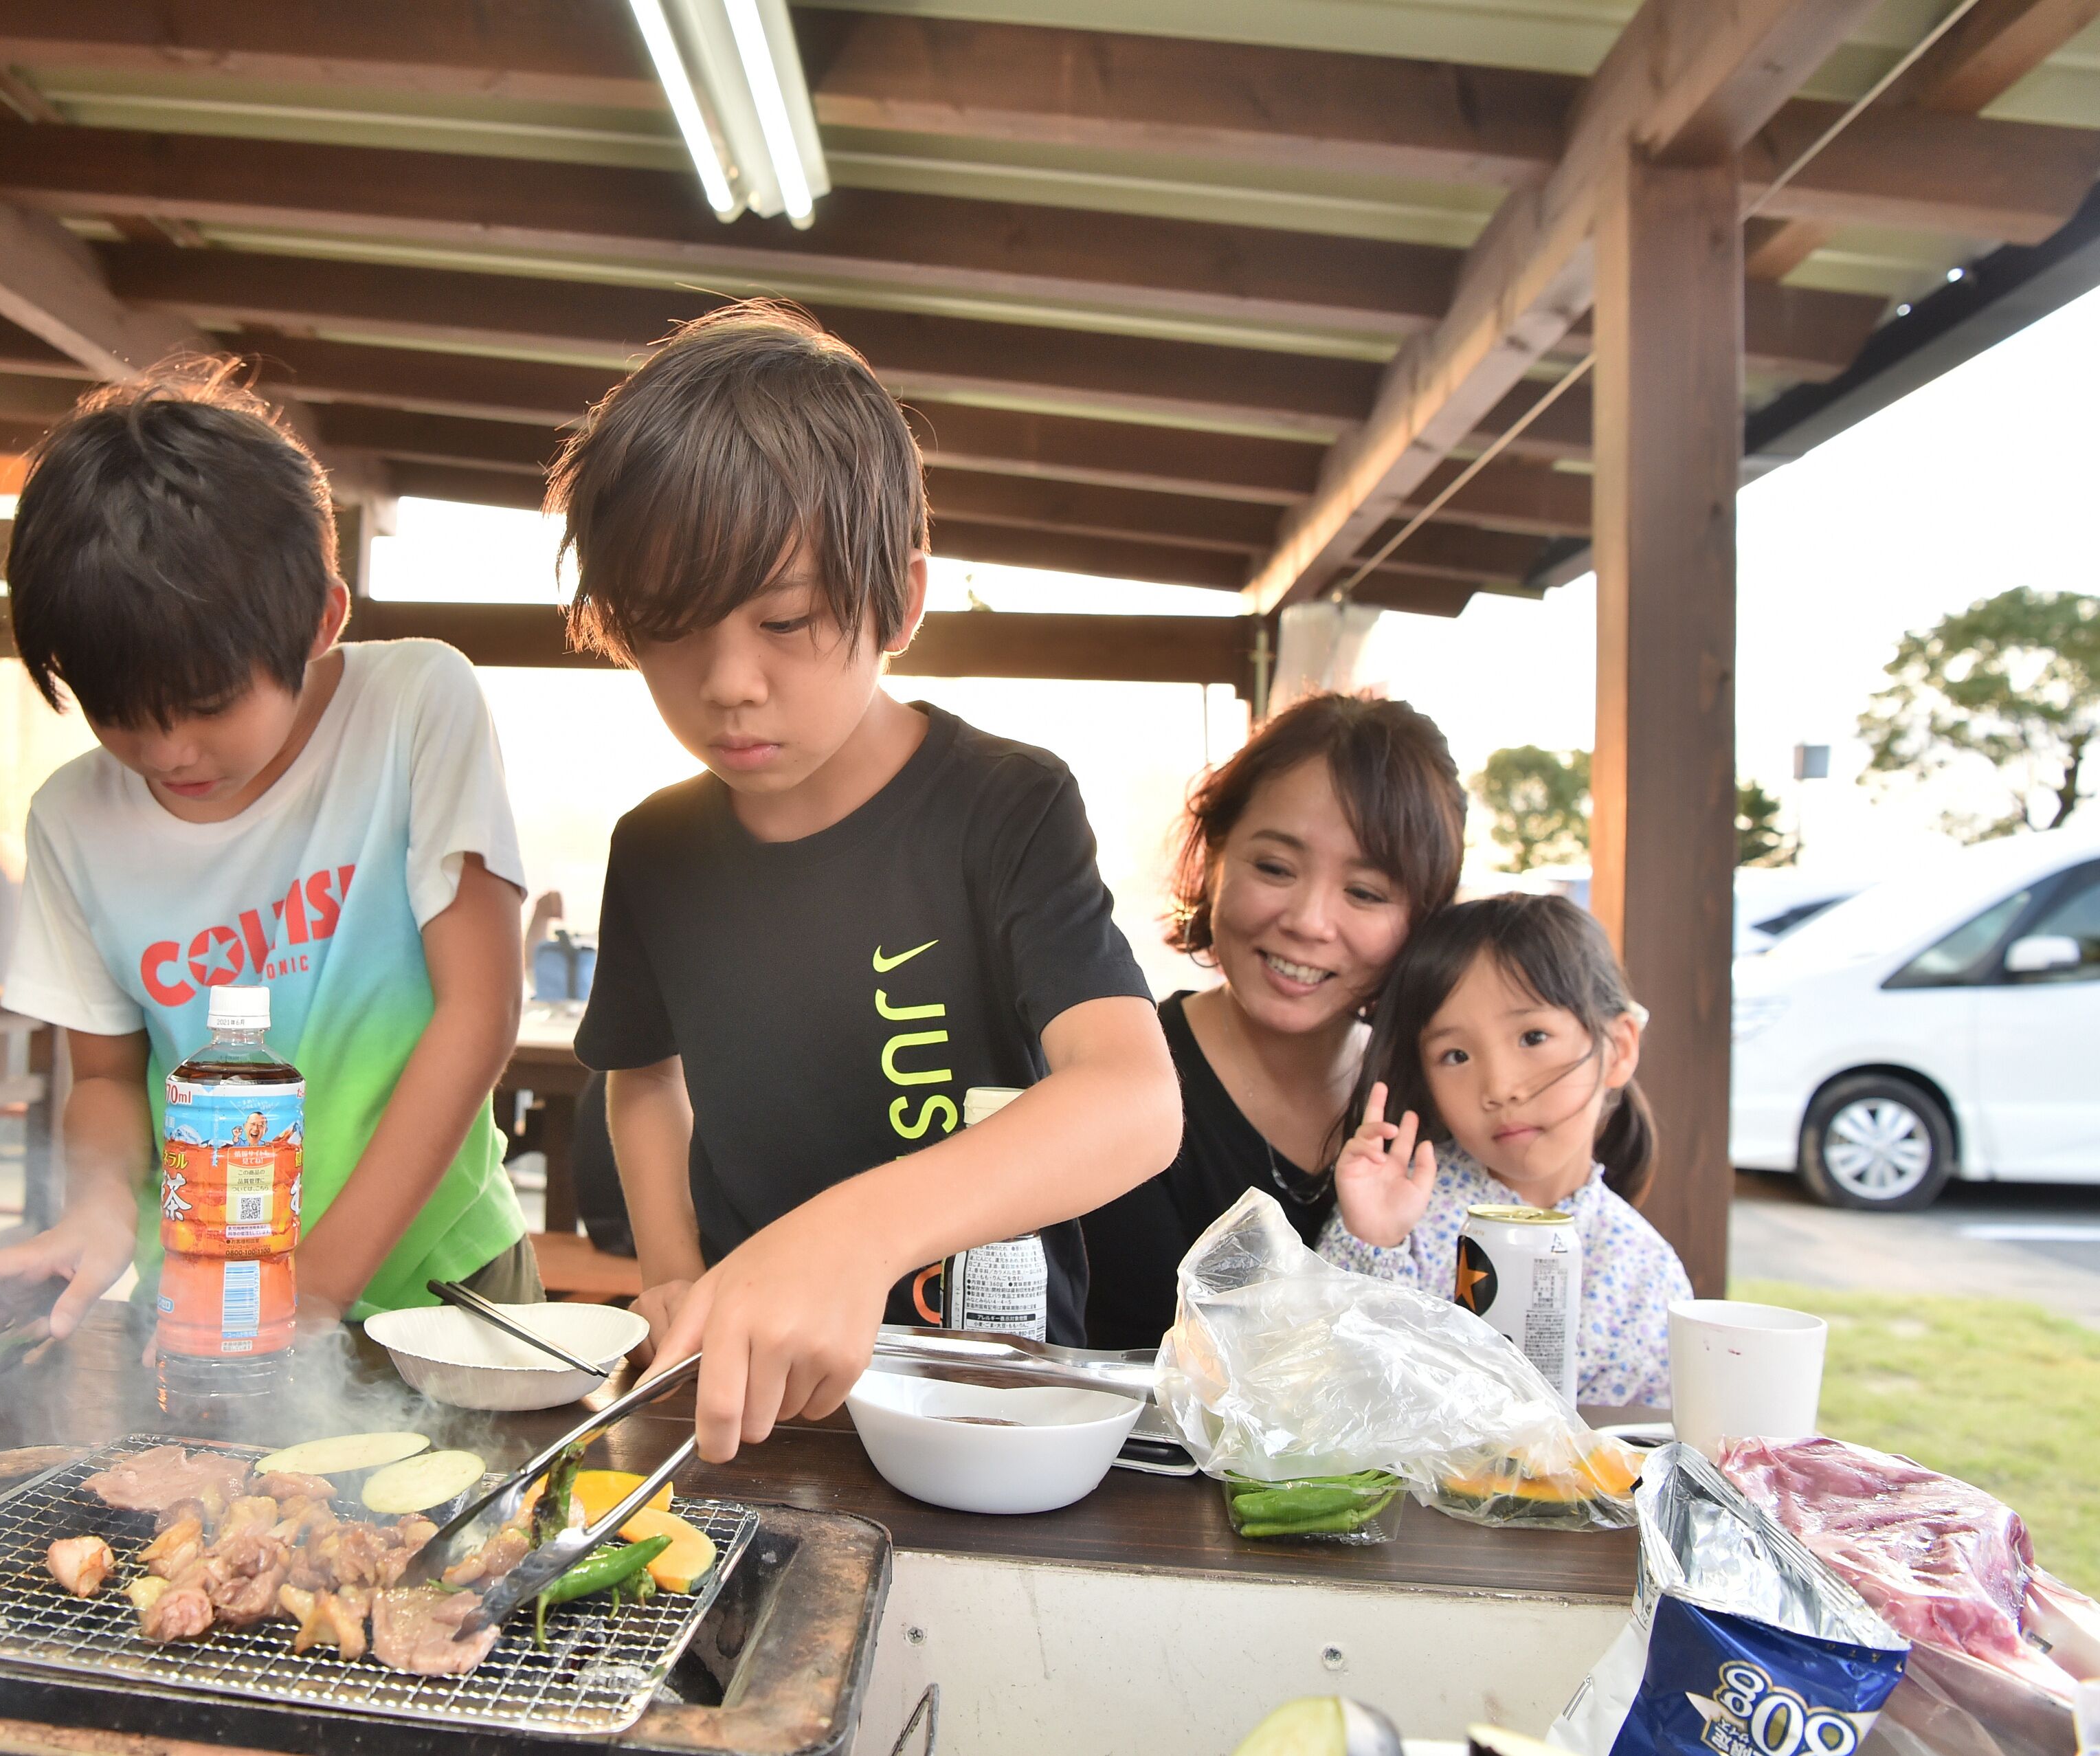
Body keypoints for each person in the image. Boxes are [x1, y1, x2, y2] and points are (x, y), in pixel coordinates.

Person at [560, 301, 1182, 1461]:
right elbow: (639, 1076)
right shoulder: (658, 849)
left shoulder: (1005, 806)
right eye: (670, 629)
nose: (730, 682)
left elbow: (1135, 1102)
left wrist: (851, 1237)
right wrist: (675, 1277)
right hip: (760, 1403)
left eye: (784, 618)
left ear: (900, 599)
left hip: (982, 1391)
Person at [0, 362, 537, 1345]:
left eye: (210, 706)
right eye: (120, 717)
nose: (169, 752)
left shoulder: (416, 707)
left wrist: (313, 1289)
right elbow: (102, 1079)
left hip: (446, 1280)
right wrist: (94, 1214)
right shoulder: (73, 818)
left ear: (321, 621)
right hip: (202, 1293)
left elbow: (480, 1011)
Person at [1080, 694, 1464, 1351]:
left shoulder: (1444, 1101)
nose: (1310, 921)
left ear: (1423, 918)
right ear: (1215, 857)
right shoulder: (1117, 1088)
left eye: (1366, 893)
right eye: (1275, 868)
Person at [1320, 891, 1691, 1408]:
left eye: (1533, 1036)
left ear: (1620, 1048)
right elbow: (1334, 1381)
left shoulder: (1647, 1272)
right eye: (1456, 1054)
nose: (1499, 1086)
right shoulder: (1400, 1211)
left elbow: (1640, 1455)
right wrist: (1372, 1240)